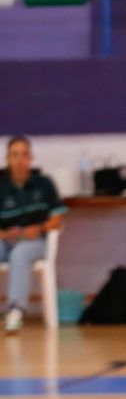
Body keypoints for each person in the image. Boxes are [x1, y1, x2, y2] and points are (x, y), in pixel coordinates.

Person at [1, 136, 66, 334]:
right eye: (15, 155)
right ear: (8, 159)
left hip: (34, 241)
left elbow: (57, 219)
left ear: (31, 158)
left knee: (19, 254)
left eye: (25, 154)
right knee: (10, 250)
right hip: (5, 240)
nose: (20, 160)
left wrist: (38, 229)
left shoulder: (44, 183)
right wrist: (4, 234)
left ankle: (15, 311)